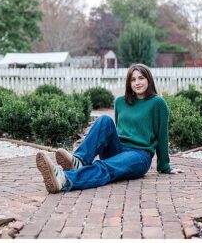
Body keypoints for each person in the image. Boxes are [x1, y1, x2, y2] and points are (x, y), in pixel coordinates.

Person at [34, 64, 175, 193]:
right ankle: (79, 160)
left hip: (139, 155)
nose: (137, 82)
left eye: (141, 78)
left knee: (105, 166)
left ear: (149, 79)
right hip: (118, 149)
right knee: (105, 120)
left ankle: (64, 179)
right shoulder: (121, 102)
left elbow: (162, 136)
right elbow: (116, 131)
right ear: (129, 83)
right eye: (133, 79)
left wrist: (164, 166)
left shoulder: (158, 103)